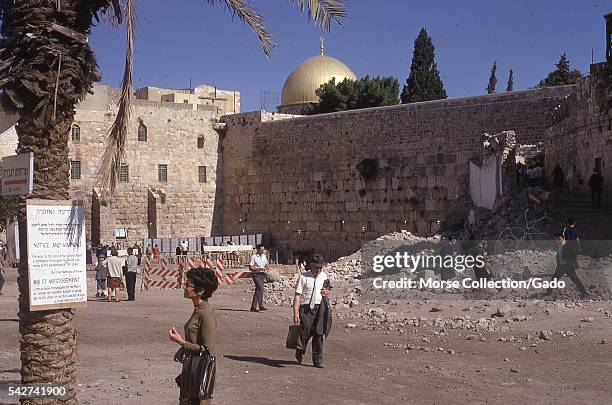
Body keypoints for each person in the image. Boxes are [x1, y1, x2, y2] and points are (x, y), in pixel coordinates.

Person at [168, 266, 218, 405]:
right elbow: (195, 339)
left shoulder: (206, 313)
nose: (184, 287)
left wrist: (181, 343)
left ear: (200, 291)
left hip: (199, 372)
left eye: (188, 285)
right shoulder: (197, 309)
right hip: (191, 368)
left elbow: (207, 350)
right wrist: (182, 349)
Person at [293, 254, 332, 368]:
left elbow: (328, 288)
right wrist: (295, 312)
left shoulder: (324, 276)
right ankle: (299, 350)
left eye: (321, 267)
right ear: (311, 266)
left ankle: (317, 360)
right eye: (316, 267)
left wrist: (326, 292)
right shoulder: (303, 277)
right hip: (306, 309)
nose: (319, 270)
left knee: (319, 334)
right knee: (305, 332)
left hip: (320, 308)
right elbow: (297, 296)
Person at [546, 233, 588, 298]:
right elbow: (559, 257)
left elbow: (575, 252)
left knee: (575, 279)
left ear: (561, 238)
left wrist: (570, 262)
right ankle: (548, 292)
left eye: (557, 239)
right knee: (555, 278)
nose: (555, 241)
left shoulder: (568, 244)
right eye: (554, 239)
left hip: (568, 266)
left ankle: (584, 293)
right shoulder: (559, 246)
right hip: (561, 266)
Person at [248, 244, 268, 312]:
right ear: (258, 249)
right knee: (260, 288)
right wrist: (258, 268)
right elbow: (250, 267)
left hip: (263, 274)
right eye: (261, 250)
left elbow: (266, 264)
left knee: (259, 290)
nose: (263, 251)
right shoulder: (253, 257)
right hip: (256, 274)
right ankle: (256, 306)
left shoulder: (264, 256)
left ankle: (257, 306)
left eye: (263, 250)